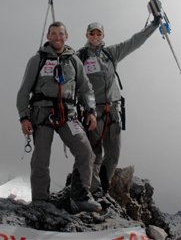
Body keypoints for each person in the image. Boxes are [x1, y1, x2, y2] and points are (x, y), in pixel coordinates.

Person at [16, 21, 102, 212]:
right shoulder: (37, 60)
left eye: (61, 34)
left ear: (67, 36)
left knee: (86, 151)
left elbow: (86, 89)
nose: (57, 37)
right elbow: (23, 92)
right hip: (42, 114)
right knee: (41, 158)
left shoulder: (74, 61)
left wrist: (91, 112)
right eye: (53, 34)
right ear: (48, 36)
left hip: (69, 114)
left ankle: (80, 196)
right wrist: (24, 117)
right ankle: (40, 201)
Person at [77, 13, 162, 196]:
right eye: (92, 33)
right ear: (87, 35)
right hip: (93, 111)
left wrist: (154, 25)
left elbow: (134, 41)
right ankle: (93, 190)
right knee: (95, 153)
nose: (95, 37)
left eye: (99, 34)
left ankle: (104, 189)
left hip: (113, 110)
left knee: (113, 154)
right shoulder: (79, 57)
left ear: (103, 36)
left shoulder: (111, 53)